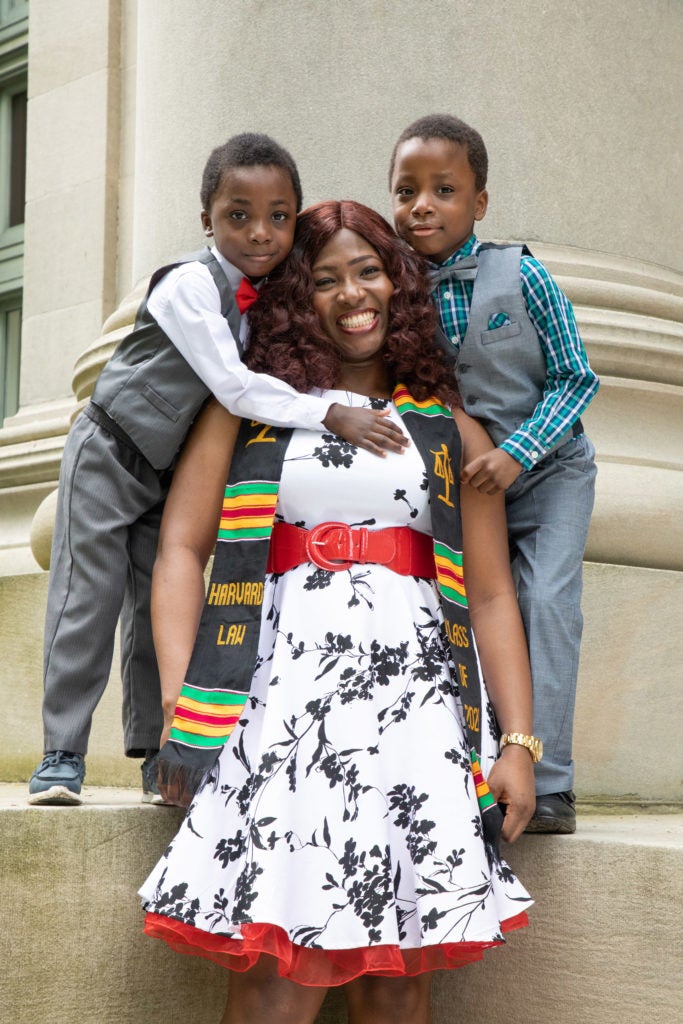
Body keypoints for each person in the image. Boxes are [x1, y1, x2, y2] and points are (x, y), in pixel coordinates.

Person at [139, 200, 538, 1023]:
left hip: (414, 719)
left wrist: (519, 744)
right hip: (275, 711)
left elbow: (493, 593)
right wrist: (188, 702)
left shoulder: (448, 431)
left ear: (397, 285)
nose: (352, 293)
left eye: (368, 271)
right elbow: (181, 549)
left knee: (398, 980)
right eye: (324, 279)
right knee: (269, 973)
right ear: (296, 299)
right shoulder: (251, 409)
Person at [28, 134, 408, 807]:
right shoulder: (186, 286)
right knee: (87, 595)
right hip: (111, 448)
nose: (260, 233)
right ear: (206, 220)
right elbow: (233, 388)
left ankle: (154, 751)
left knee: (151, 605)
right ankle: (62, 753)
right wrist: (331, 416)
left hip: (165, 465)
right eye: (239, 215)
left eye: (279, 216)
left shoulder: (270, 299)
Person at [389, 114, 600, 834]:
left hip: (549, 470)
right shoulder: (390, 291)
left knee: (544, 602)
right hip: (464, 485)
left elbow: (576, 381)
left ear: (478, 202)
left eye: (444, 190)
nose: (422, 205)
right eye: (406, 190)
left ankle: (552, 779)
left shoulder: (523, 273)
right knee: (473, 611)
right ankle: (475, 762)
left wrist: (519, 452)